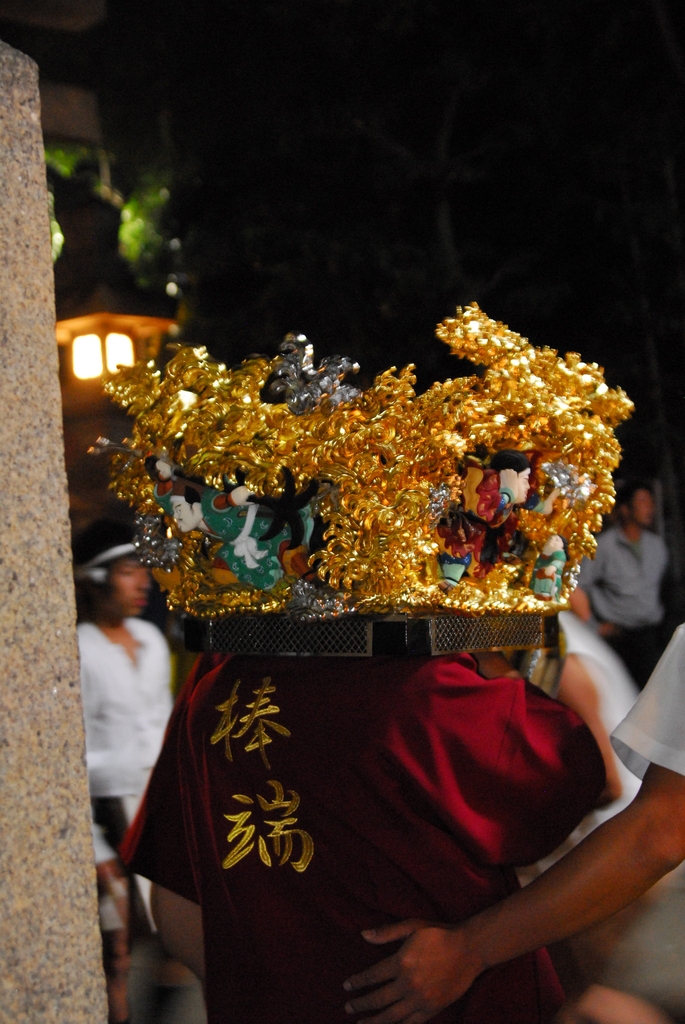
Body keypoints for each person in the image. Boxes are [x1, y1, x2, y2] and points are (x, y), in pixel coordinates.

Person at [120, 649, 606, 1024]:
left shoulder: (213, 683)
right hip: (430, 1001)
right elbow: (578, 777)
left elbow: (177, 915)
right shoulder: (431, 683)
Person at [341, 623, 685, 1024]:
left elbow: (654, 825)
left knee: (598, 1005)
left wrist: (473, 946)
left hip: (608, 866)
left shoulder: (551, 644)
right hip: (601, 862)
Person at [73, 519, 173, 1024]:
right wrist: (92, 845)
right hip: (108, 814)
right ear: (97, 579)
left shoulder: (150, 639)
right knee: (116, 950)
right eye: (129, 572)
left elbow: (163, 724)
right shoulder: (80, 648)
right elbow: (74, 753)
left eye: (143, 571)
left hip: (157, 805)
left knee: (178, 940)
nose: (144, 584)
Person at [572, 480, 668, 688]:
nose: (649, 507)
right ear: (625, 509)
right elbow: (578, 585)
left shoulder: (657, 546)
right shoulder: (604, 547)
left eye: (651, 502)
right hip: (620, 638)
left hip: (651, 635)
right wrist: (594, 627)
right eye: (642, 501)